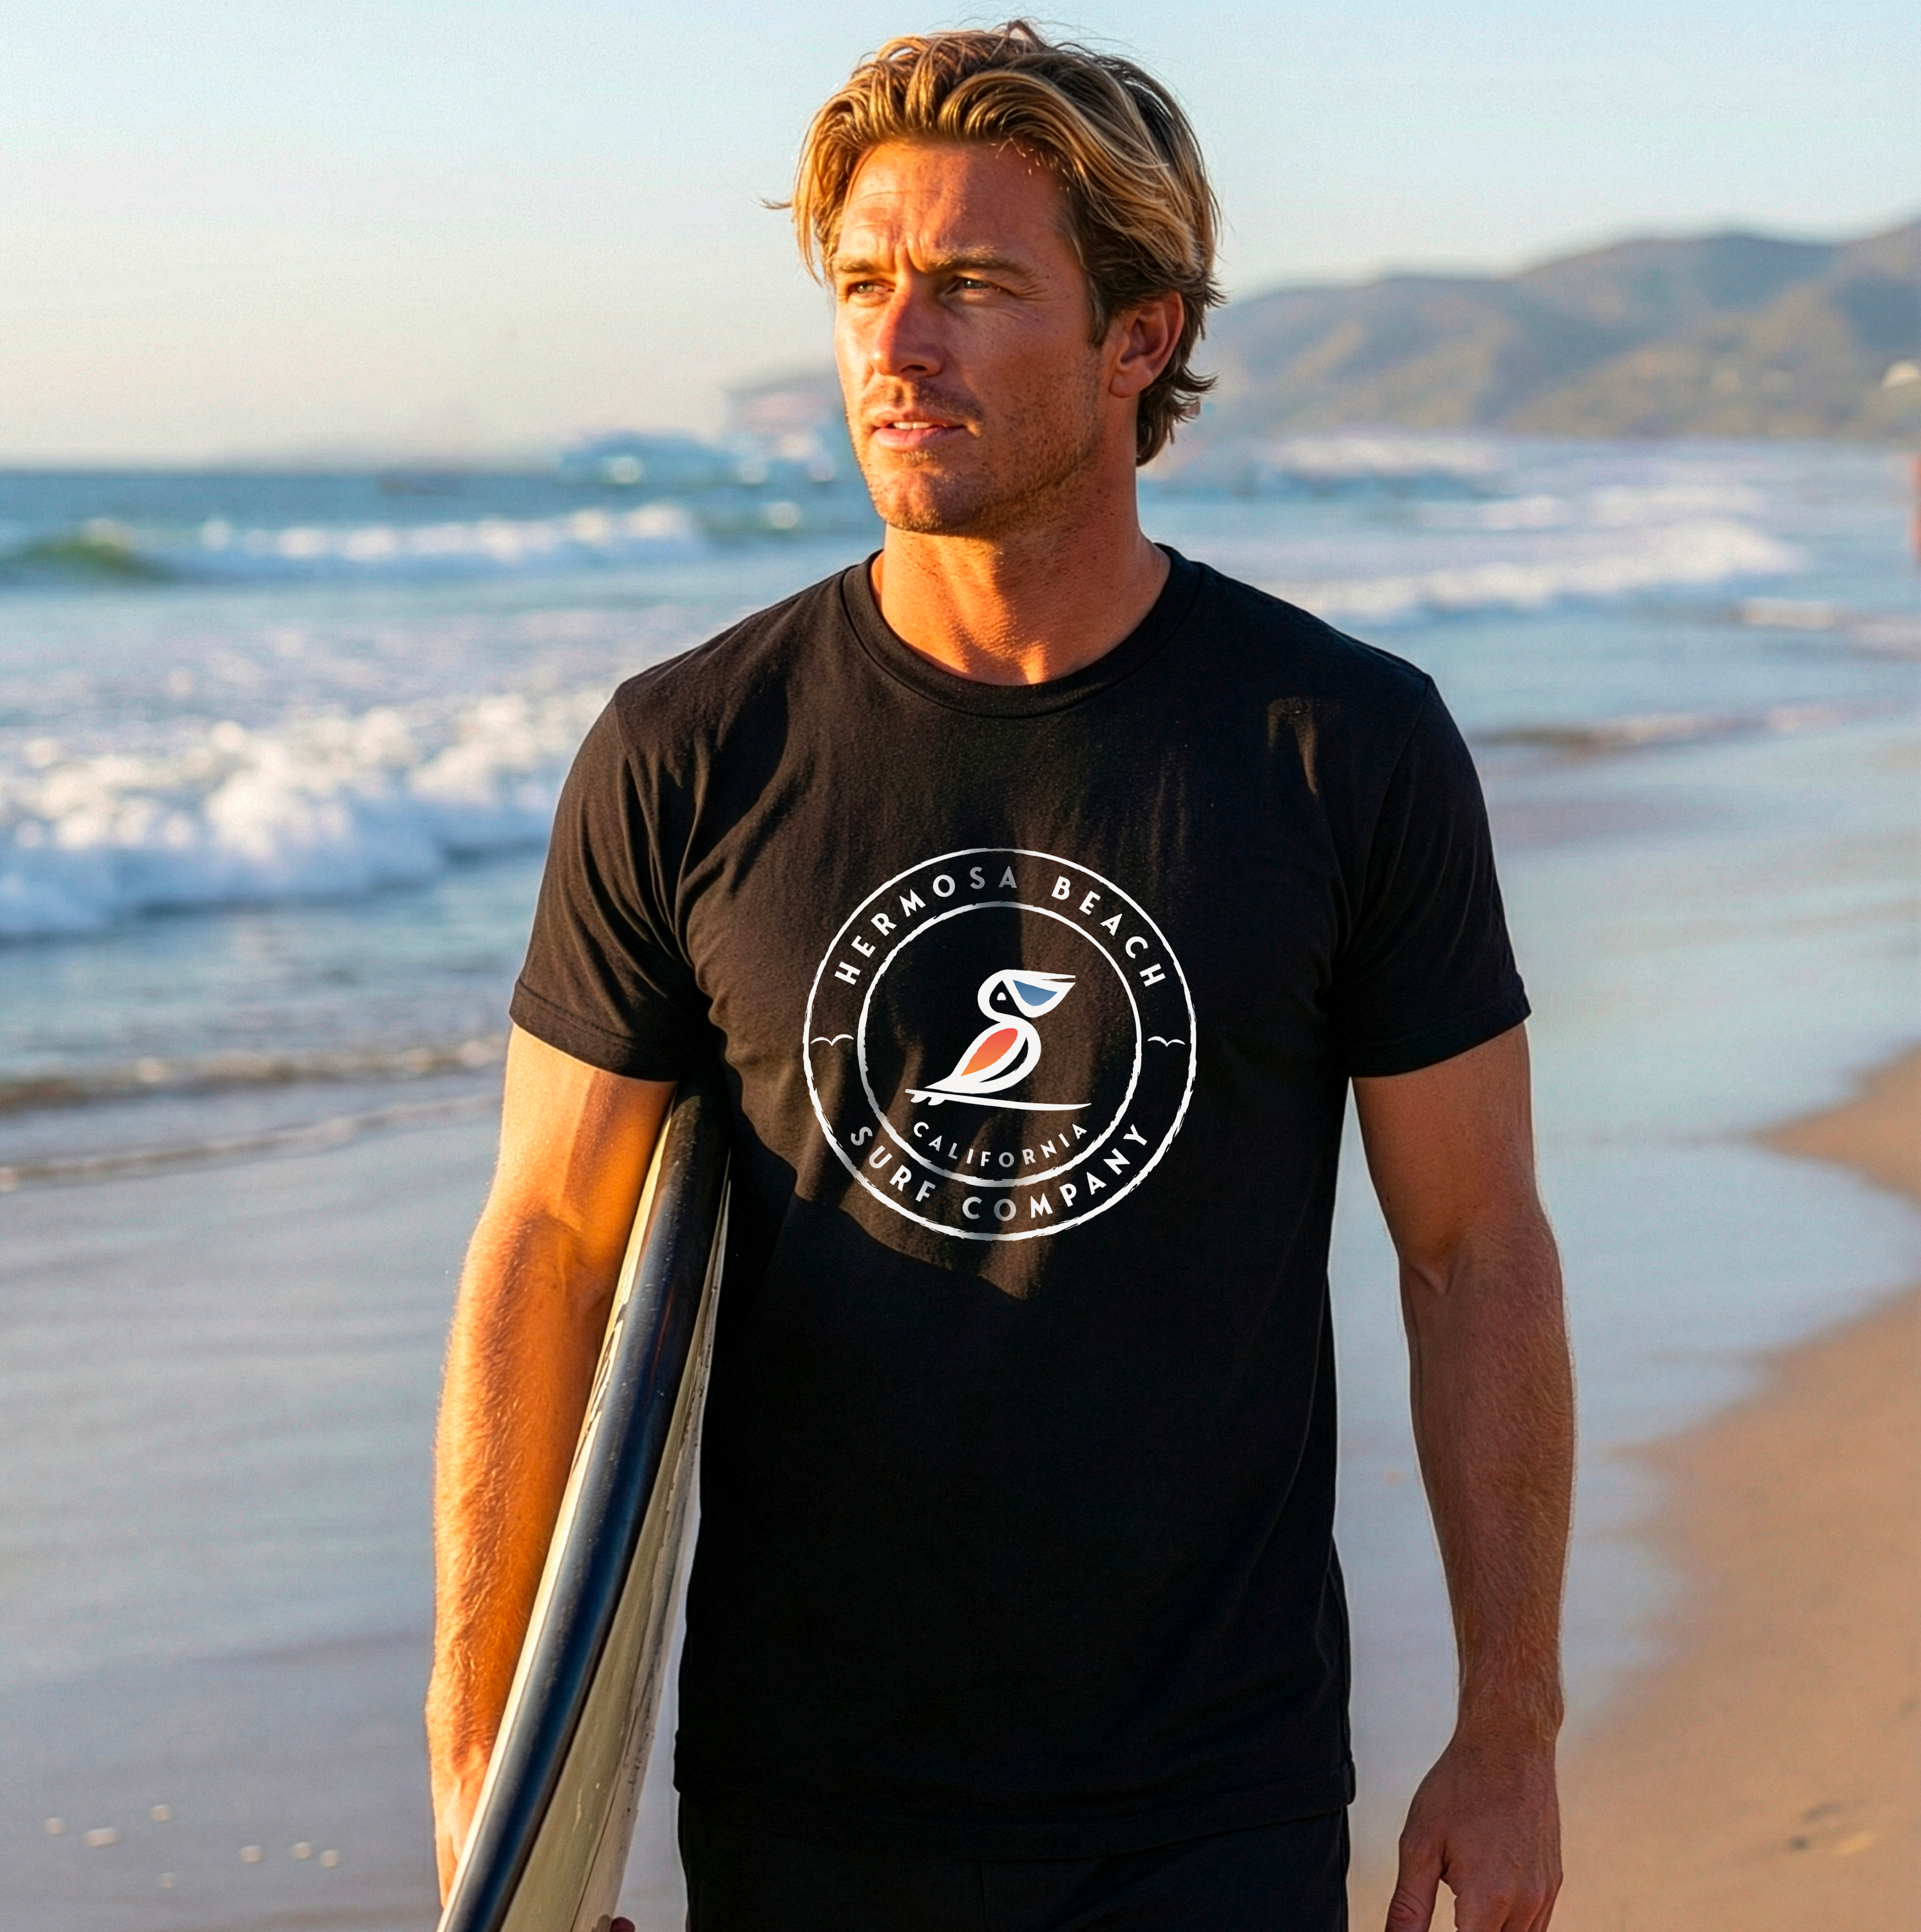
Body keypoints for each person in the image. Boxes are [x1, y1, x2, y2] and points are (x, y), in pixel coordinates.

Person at [426, 23, 1573, 1932]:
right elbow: (547, 1248)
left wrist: (1511, 1728)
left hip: (1213, 1792)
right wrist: (500, 1784)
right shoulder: (689, 751)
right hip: (809, 1802)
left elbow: (1474, 1249)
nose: (896, 344)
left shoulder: (1340, 746)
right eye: (866, 287)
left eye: (970, 287)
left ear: (1141, 335)